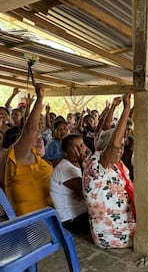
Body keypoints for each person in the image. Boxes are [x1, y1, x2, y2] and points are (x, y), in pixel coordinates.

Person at [82, 90, 135, 248]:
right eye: (118, 147)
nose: (120, 150)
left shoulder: (118, 166)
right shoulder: (95, 164)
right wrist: (126, 109)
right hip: (111, 231)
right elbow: (113, 146)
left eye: (123, 147)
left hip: (126, 219)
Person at [4, 84, 53, 216]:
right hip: (31, 225)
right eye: (35, 137)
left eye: (40, 136)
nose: (39, 139)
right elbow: (29, 129)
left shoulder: (36, 157)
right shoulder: (18, 155)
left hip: (48, 217)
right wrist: (39, 99)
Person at [50, 133, 89, 234]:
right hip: (71, 221)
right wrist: (82, 163)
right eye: (75, 147)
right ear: (65, 153)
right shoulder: (65, 168)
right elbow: (88, 192)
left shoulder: (78, 164)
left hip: (83, 214)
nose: (81, 149)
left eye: (81, 145)